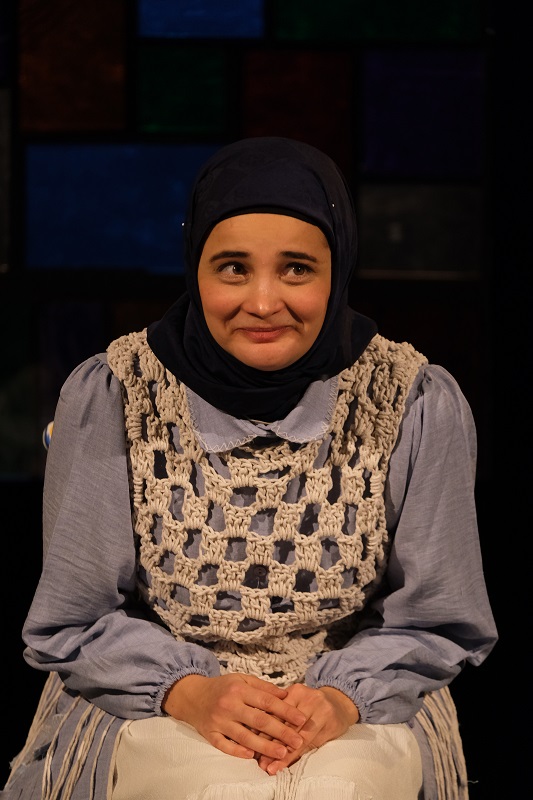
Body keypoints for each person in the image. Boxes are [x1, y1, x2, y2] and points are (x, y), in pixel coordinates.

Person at [1, 136, 497, 800]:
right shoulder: (116, 393)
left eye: (296, 269)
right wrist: (191, 691)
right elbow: (74, 619)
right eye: (232, 268)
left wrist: (339, 698)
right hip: (150, 695)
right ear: (194, 267)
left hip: (359, 696)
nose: (263, 302)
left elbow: (439, 618)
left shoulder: (411, 400)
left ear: (337, 269)